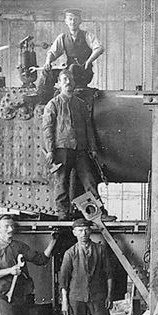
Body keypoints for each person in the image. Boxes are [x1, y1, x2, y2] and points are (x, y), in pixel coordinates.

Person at [59, 218, 128, 315]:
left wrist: (109, 295)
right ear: (74, 233)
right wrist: (64, 302)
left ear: (90, 231)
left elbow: (109, 275)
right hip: (76, 296)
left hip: (98, 295)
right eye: (80, 231)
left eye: (86, 230)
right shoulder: (70, 253)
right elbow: (63, 280)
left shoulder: (100, 250)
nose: (84, 233)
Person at [42, 69, 114, 221]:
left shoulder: (81, 105)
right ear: (58, 84)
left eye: (70, 79)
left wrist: (93, 148)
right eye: (65, 79)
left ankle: (98, 213)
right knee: (62, 183)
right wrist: (50, 150)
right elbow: (47, 129)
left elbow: (88, 128)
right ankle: (62, 214)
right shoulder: (53, 105)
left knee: (89, 181)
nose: (68, 82)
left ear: (74, 83)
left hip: (80, 149)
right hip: (62, 150)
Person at [36, 8, 104, 96]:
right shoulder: (63, 37)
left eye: (75, 19)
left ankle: (67, 92)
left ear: (80, 21)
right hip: (69, 70)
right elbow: (53, 52)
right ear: (66, 21)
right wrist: (48, 62)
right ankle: (44, 98)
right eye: (70, 19)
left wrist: (89, 61)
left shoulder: (87, 35)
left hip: (84, 72)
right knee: (48, 71)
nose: (73, 22)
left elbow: (99, 48)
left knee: (72, 68)